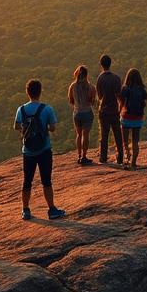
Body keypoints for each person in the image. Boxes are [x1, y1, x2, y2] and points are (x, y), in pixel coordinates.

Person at [14, 79, 66, 220]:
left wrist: (26, 129)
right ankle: (52, 209)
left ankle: (25, 210)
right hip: (44, 149)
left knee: (27, 181)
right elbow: (53, 127)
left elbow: (17, 126)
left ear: (27, 92)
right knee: (46, 180)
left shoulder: (21, 109)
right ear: (40, 91)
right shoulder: (47, 109)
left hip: (28, 151)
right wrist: (45, 128)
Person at [94, 54, 124, 165]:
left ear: (101, 65)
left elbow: (100, 96)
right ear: (110, 63)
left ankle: (103, 157)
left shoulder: (100, 78)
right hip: (114, 110)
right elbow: (119, 95)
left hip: (104, 110)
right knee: (117, 135)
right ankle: (120, 157)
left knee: (104, 136)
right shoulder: (116, 78)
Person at [119, 68, 147, 170]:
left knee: (125, 142)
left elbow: (121, 103)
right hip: (138, 118)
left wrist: (120, 113)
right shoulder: (142, 90)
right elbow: (144, 103)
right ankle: (134, 164)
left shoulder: (125, 88)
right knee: (135, 142)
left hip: (126, 117)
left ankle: (127, 158)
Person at [67, 65, 96, 166]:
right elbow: (92, 102)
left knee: (78, 135)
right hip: (87, 112)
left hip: (76, 113)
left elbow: (70, 100)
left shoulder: (72, 86)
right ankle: (84, 156)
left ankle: (79, 155)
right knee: (85, 135)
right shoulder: (91, 87)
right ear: (86, 75)